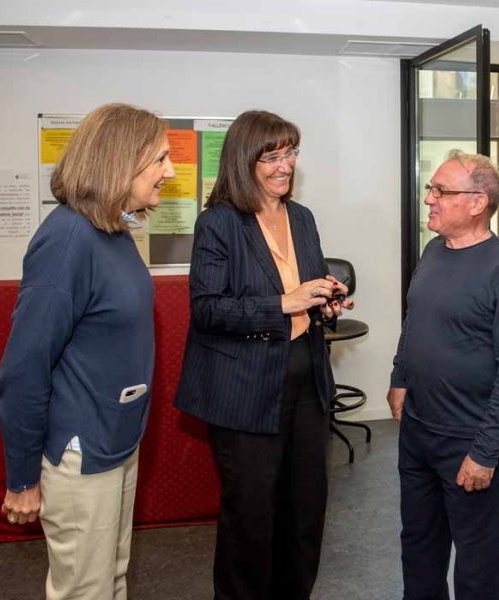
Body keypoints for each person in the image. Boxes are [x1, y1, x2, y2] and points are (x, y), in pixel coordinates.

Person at [0, 103, 174, 599]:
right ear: (120, 160)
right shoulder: (68, 240)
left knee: (110, 578)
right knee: (85, 590)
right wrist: (22, 477)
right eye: (160, 158)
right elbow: (24, 369)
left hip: (116, 439)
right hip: (80, 449)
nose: (170, 171)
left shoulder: (112, 231)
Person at [173, 110, 352, 600]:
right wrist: (283, 303)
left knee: (305, 510)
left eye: (290, 153)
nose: (284, 166)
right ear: (242, 161)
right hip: (244, 389)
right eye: (271, 156)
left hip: (308, 383)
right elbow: (208, 309)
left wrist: (325, 301)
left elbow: (306, 295)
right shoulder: (218, 223)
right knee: (250, 517)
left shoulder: (302, 217)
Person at [387, 150, 499, 600]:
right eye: (430, 189)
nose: (429, 199)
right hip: (417, 433)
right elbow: (414, 321)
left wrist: (486, 451)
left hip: (468, 441)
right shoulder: (433, 251)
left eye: (441, 191)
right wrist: (399, 375)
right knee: (419, 547)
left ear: (477, 203)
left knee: (477, 561)